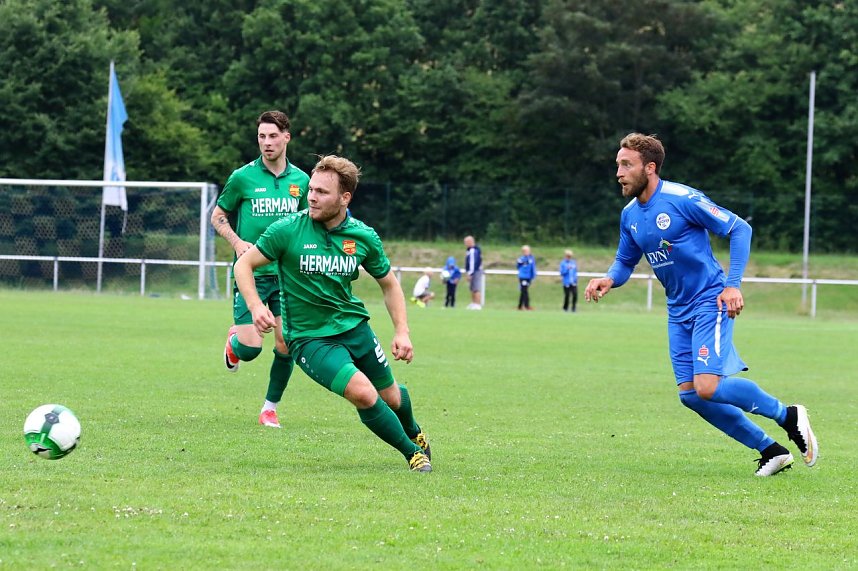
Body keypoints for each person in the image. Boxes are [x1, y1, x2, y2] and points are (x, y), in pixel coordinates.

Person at [585, 133, 818, 477]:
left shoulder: (682, 198)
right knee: (691, 395)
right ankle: (771, 449)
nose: (618, 172)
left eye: (626, 165)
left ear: (649, 168)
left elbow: (740, 229)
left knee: (708, 386)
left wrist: (732, 285)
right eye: (618, 164)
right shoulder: (630, 215)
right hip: (677, 310)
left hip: (710, 300)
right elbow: (624, 260)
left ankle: (789, 415)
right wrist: (609, 278)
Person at [233, 155, 432, 472]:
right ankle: (413, 454)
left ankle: (413, 430)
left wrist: (402, 331)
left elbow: (390, 284)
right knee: (364, 394)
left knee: (392, 398)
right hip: (310, 339)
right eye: (310, 189)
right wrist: (256, 306)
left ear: (345, 197)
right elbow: (243, 264)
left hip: (355, 329)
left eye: (322, 192)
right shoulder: (287, 230)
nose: (311, 197)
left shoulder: (363, 236)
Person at [211, 110, 309, 429]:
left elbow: (311, 223)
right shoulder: (242, 177)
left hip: (288, 277)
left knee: (286, 343)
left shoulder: (302, 182)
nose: (266, 143)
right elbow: (218, 216)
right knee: (252, 348)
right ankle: (234, 344)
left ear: (286, 137)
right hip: (250, 274)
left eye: (272, 136)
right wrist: (238, 243)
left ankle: (269, 407)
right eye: (261, 137)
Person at [463, 235, 483, 310]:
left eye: (466, 242)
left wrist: (470, 273)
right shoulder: (469, 250)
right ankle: (473, 303)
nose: (465, 244)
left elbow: (472, 263)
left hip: (475, 271)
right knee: (472, 288)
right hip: (473, 271)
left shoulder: (473, 250)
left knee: (476, 288)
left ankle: (477, 304)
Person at [516, 245, 536, 310]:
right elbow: (518, 266)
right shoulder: (521, 259)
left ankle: (519, 306)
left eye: (528, 251)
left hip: (529, 277)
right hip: (523, 277)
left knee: (523, 291)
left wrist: (533, 276)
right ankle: (527, 306)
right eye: (526, 251)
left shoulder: (532, 259)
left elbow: (533, 268)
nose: (527, 252)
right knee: (525, 291)